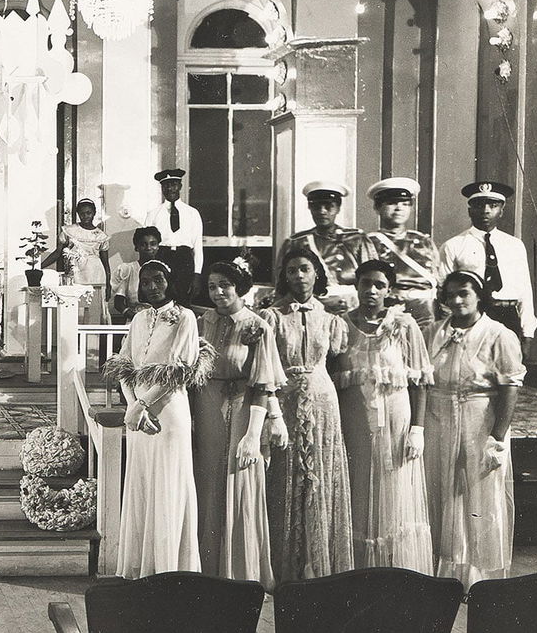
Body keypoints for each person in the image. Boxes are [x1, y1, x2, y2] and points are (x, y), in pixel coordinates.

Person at [102, 260, 211, 578]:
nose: (150, 286)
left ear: (171, 282)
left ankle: (169, 571)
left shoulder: (185, 318)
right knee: (143, 484)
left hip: (169, 413)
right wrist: (132, 406)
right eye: (145, 281)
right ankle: (142, 571)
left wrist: (143, 405)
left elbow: (179, 371)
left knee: (167, 486)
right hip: (139, 417)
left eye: (158, 280)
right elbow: (124, 364)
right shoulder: (138, 319)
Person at [424, 271, 525, 586]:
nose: (456, 301)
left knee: (479, 495)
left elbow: (510, 387)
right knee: (439, 489)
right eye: (450, 295)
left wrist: (497, 436)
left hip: (480, 420)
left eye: (464, 293)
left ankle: (477, 577)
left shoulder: (498, 334)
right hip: (437, 417)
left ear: (479, 295)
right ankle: (442, 575)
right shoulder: (433, 332)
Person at [260, 248, 354, 582]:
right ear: (284, 277)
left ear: (317, 274)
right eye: (291, 271)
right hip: (284, 398)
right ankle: (283, 564)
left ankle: (318, 564)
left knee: (320, 476)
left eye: (305, 269)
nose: (299, 276)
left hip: (323, 399)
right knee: (284, 477)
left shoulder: (331, 320)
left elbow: (340, 363)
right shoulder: (271, 317)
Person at [334, 260, 434, 574]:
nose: (372, 291)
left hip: (396, 419)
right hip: (355, 420)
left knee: (395, 486)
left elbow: (420, 382)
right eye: (366, 284)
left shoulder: (404, 325)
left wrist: (417, 428)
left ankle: (395, 567)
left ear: (389, 289)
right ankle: (360, 566)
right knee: (359, 486)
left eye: (379, 285)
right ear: (357, 287)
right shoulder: (340, 325)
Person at [193, 259, 285, 587]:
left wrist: (251, 436)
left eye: (225, 286)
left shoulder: (257, 325)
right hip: (205, 410)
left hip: (241, 408)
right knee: (208, 485)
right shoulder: (203, 319)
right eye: (212, 286)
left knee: (239, 484)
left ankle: (239, 572)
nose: (218, 293)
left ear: (239, 287)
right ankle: (205, 570)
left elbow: (263, 383)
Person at [440, 180, 536, 353]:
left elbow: (525, 291)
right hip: (471, 316)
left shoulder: (515, 245)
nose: (485, 211)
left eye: (493, 205)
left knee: (507, 373)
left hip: (508, 316)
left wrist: (527, 333)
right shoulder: (453, 246)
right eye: (478, 205)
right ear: (469, 210)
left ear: (501, 211)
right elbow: (443, 293)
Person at [359, 177, 443, 331]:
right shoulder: (369, 242)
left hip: (427, 314)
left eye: (405, 204)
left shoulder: (424, 241)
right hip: (391, 314)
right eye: (391, 203)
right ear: (377, 208)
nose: (399, 208)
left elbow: (439, 280)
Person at [274, 181, 365, 312]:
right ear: (310, 208)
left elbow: (371, 278)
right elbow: (283, 285)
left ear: (338, 208)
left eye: (329, 206)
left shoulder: (356, 239)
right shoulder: (296, 242)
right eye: (316, 206)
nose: (322, 211)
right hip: (313, 310)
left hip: (353, 310)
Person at [41, 196, 112, 321]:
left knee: (93, 312)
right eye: (82, 214)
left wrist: (108, 284)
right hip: (76, 272)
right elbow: (58, 253)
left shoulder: (101, 236)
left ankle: (92, 340)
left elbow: (106, 263)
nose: (86, 216)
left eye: (89, 213)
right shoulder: (69, 231)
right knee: (74, 309)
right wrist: (39, 267)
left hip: (96, 274)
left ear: (94, 213)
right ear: (78, 214)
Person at [142, 169, 204, 304]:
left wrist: (197, 274)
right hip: (162, 258)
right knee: (163, 299)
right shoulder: (153, 214)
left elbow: (198, 246)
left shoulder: (192, 213)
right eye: (166, 185)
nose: (170, 188)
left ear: (180, 186)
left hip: (184, 260)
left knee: (183, 301)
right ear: (162, 188)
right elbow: (147, 245)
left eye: (174, 184)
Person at [111, 227, 164, 322]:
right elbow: (118, 302)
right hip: (134, 321)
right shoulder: (128, 269)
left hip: (160, 321)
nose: (148, 248)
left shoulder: (164, 270)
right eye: (143, 244)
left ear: (158, 246)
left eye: (153, 244)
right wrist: (135, 318)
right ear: (137, 247)